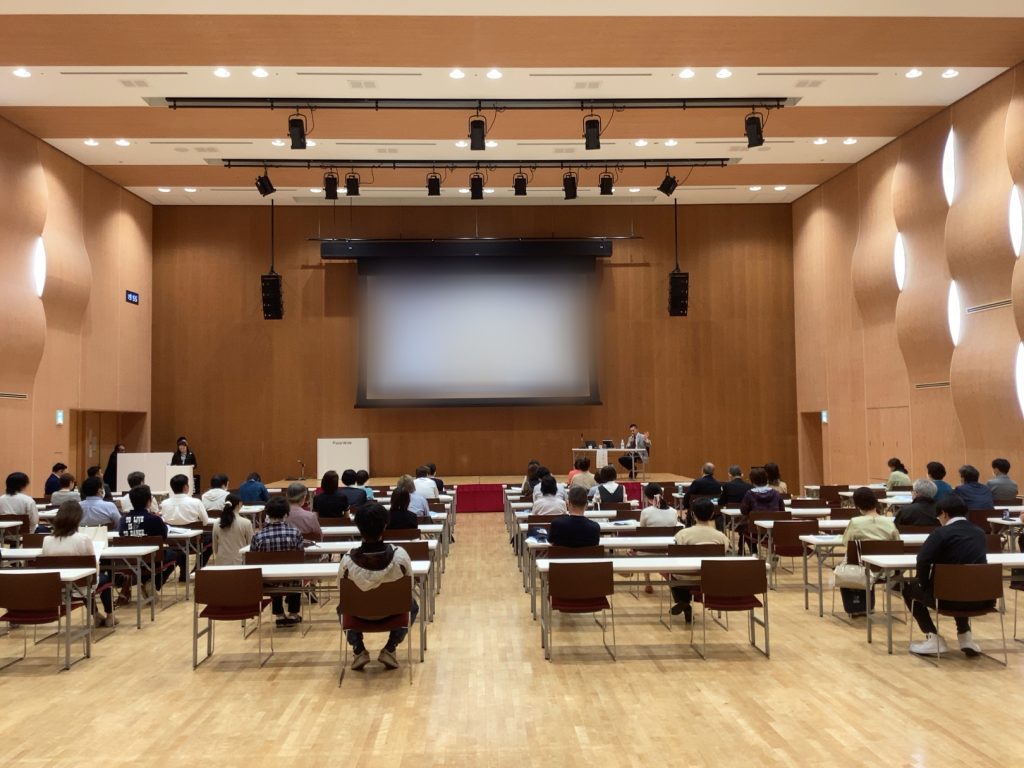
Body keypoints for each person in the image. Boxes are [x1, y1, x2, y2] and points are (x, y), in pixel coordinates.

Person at [904, 495, 991, 656]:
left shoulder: (941, 533)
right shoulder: (979, 532)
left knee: (909, 590)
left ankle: (932, 636)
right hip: (980, 598)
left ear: (944, 514)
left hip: (945, 598)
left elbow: (922, 560)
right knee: (962, 584)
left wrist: (923, 584)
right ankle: (965, 636)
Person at [338, 502, 418, 670]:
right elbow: (409, 586)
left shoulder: (347, 560)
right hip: (393, 612)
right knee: (413, 605)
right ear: (385, 525)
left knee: (341, 607)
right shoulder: (400, 556)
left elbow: (341, 591)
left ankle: (358, 649)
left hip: (358, 614)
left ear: (358, 527)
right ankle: (390, 648)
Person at [42, 500, 117, 628]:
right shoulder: (83, 539)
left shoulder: (47, 540)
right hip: (82, 585)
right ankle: (110, 615)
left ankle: (96, 615)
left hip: (58, 585)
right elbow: (93, 566)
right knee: (102, 578)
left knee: (82, 581)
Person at [669, 498, 732, 622]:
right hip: (711, 577)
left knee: (671, 572)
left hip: (686, 576)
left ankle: (684, 601)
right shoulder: (721, 536)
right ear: (712, 514)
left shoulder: (682, 534)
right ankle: (685, 602)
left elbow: (675, 556)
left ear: (693, 514)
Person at [250, 496, 305, 627]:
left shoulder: (258, 536)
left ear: (268, 515)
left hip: (268, 583)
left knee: (272, 574)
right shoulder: (295, 533)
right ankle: (293, 613)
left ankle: (279, 614)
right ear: (286, 514)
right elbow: (300, 558)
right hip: (292, 581)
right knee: (295, 572)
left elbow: (253, 561)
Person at [119, 484, 174, 597]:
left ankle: (146, 581)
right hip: (153, 558)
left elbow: (121, 534)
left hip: (129, 559)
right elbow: (163, 537)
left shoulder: (123, 520)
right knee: (174, 554)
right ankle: (153, 583)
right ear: (149, 501)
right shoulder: (155, 519)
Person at [160, 473, 211, 579]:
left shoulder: (164, 503)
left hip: (173, 542)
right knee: (211, 539)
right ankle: (197, 570)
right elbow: (205, 522)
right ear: (185, 487)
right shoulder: (196, 502)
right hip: (194, 542)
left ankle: (184, 572)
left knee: (180, 544)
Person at [737, 468, 785, 555]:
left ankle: (754, 552)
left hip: (755, 531)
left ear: (752, 480)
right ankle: (773, 552)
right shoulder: (776, 493)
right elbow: (782, 511)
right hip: (774, 529)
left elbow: (743, 511)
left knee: (744, 527)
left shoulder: (749, 494)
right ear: (767, 479)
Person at [211, 493, 253, 566]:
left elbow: (215, 549)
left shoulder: (216, 523)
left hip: (221, 563)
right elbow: (251, 546)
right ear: (239, 504)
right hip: (240, 562)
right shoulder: (246, 523)